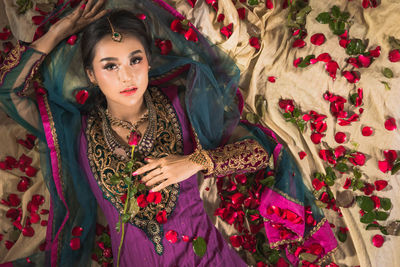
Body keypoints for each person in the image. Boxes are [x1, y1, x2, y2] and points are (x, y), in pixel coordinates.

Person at [0, 0, 337, 266]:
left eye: (135, 60)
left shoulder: (182, 104)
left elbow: (259, 152)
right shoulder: (74, 130)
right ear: (91, 73)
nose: (126, 76)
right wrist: (58, 31)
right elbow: (10, 92)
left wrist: (195, 161)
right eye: (110, 66)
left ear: (149, 62)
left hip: (211, 259)